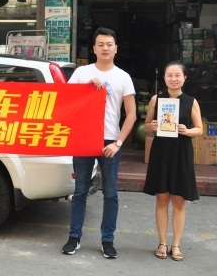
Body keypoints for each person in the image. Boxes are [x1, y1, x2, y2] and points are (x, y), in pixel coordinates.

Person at [62, 27, 137, 259]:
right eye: (101, 44)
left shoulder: (123, 77)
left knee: (110, 193)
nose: (105, 48)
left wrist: (118, 143)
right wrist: (85, 87)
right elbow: (65, 101)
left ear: (116, 48)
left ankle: (107, 240)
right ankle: (74, 237)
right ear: (93, 48)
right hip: (84, 138)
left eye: (109, 44)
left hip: (110, 140)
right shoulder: (82, 73)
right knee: (80, 191)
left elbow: (131, 115)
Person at [143, 61, 203, 261]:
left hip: (181, 152)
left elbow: (199, 129)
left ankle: (176, 244)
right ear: (164, 78)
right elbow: (146, 126)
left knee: (178, 200)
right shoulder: (156, 100)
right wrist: (152, 126)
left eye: (178, 75)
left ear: (184, 78)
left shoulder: (191, 102)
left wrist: (187, 130)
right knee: (162, 198)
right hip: (161, 152)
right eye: (170, 75)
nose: (174, 79)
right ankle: (162, 242)